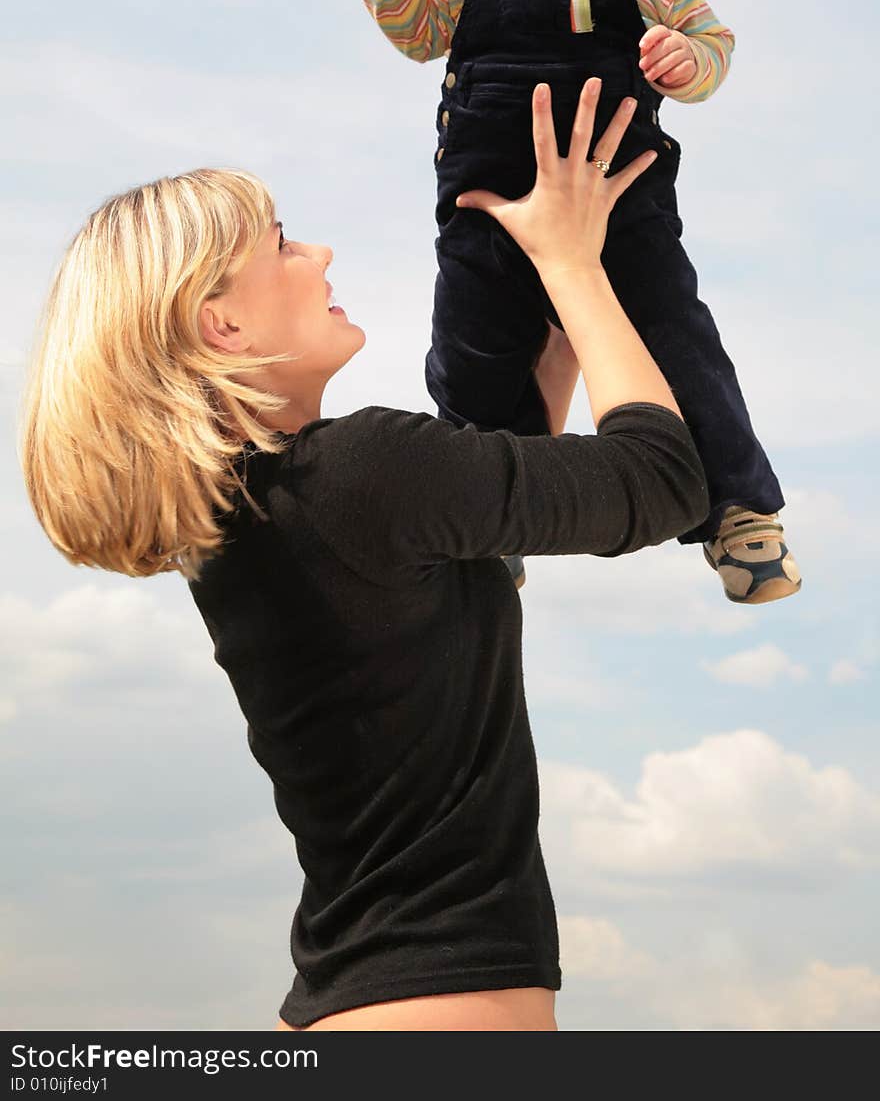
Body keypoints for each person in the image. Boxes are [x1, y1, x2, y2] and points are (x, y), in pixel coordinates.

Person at [21, 80, 708, 1031]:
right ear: (222, 324)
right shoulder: (361, 468)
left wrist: (551, 353)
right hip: (440, 1014)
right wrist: (574, 265)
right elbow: (664, 479)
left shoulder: (247, 520)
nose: (320, 253)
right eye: (281, 244)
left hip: (357, 1006)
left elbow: (476, 555)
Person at [340, 0, 801, 607]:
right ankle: (486, 525)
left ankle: (741, 511)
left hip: (619, 193)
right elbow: (418, 33)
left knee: (675, 338)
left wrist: (685, 57)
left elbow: (712, 43)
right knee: (469, 358)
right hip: (486, 199)